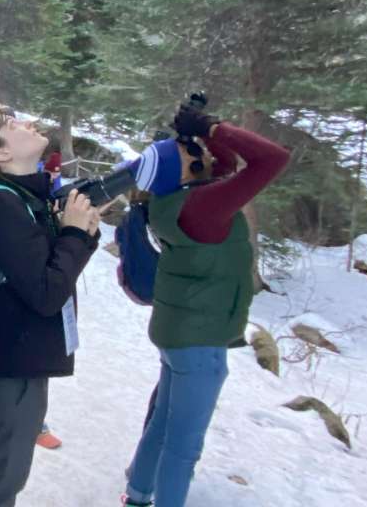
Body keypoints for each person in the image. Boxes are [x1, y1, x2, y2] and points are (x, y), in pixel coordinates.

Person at [121, 102, 289, 507]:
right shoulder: (203, 207)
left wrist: (200, 134)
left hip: (178, 332)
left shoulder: (175, 201)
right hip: (200, 342)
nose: (202, 156)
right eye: (190, 153)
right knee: (183, 446)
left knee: (162, 424)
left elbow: (225, 169)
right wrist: (213, 128)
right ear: (182, 172)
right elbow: (272, 160)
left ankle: (139, 496)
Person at [0, 104, 101, 507]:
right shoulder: (0, 205)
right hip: (5, 365)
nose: (28, 123)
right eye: (13, 125)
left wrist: (80, 232)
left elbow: (48, 271)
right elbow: (48, 292)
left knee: (2, 478)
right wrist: (75, 236)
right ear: (0, 154)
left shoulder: (21, 198)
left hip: (13, 360)